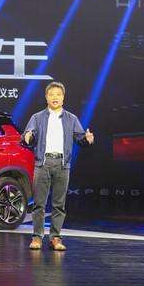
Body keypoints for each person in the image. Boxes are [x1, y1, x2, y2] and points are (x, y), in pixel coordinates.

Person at [22, 82, 94, 251]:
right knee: (39, 204)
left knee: (59, 204)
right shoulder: (37, 117)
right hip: (43, 163)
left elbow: (80, 138)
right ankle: (37, 237)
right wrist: (28, 137)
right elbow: (27, 136)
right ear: (46, 97)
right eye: (52, 94)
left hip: (62, 164)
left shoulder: (71, 118)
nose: (55, 97)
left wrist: (87, 139)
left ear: (63, 98)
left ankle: (55, 237)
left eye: (58, 94)